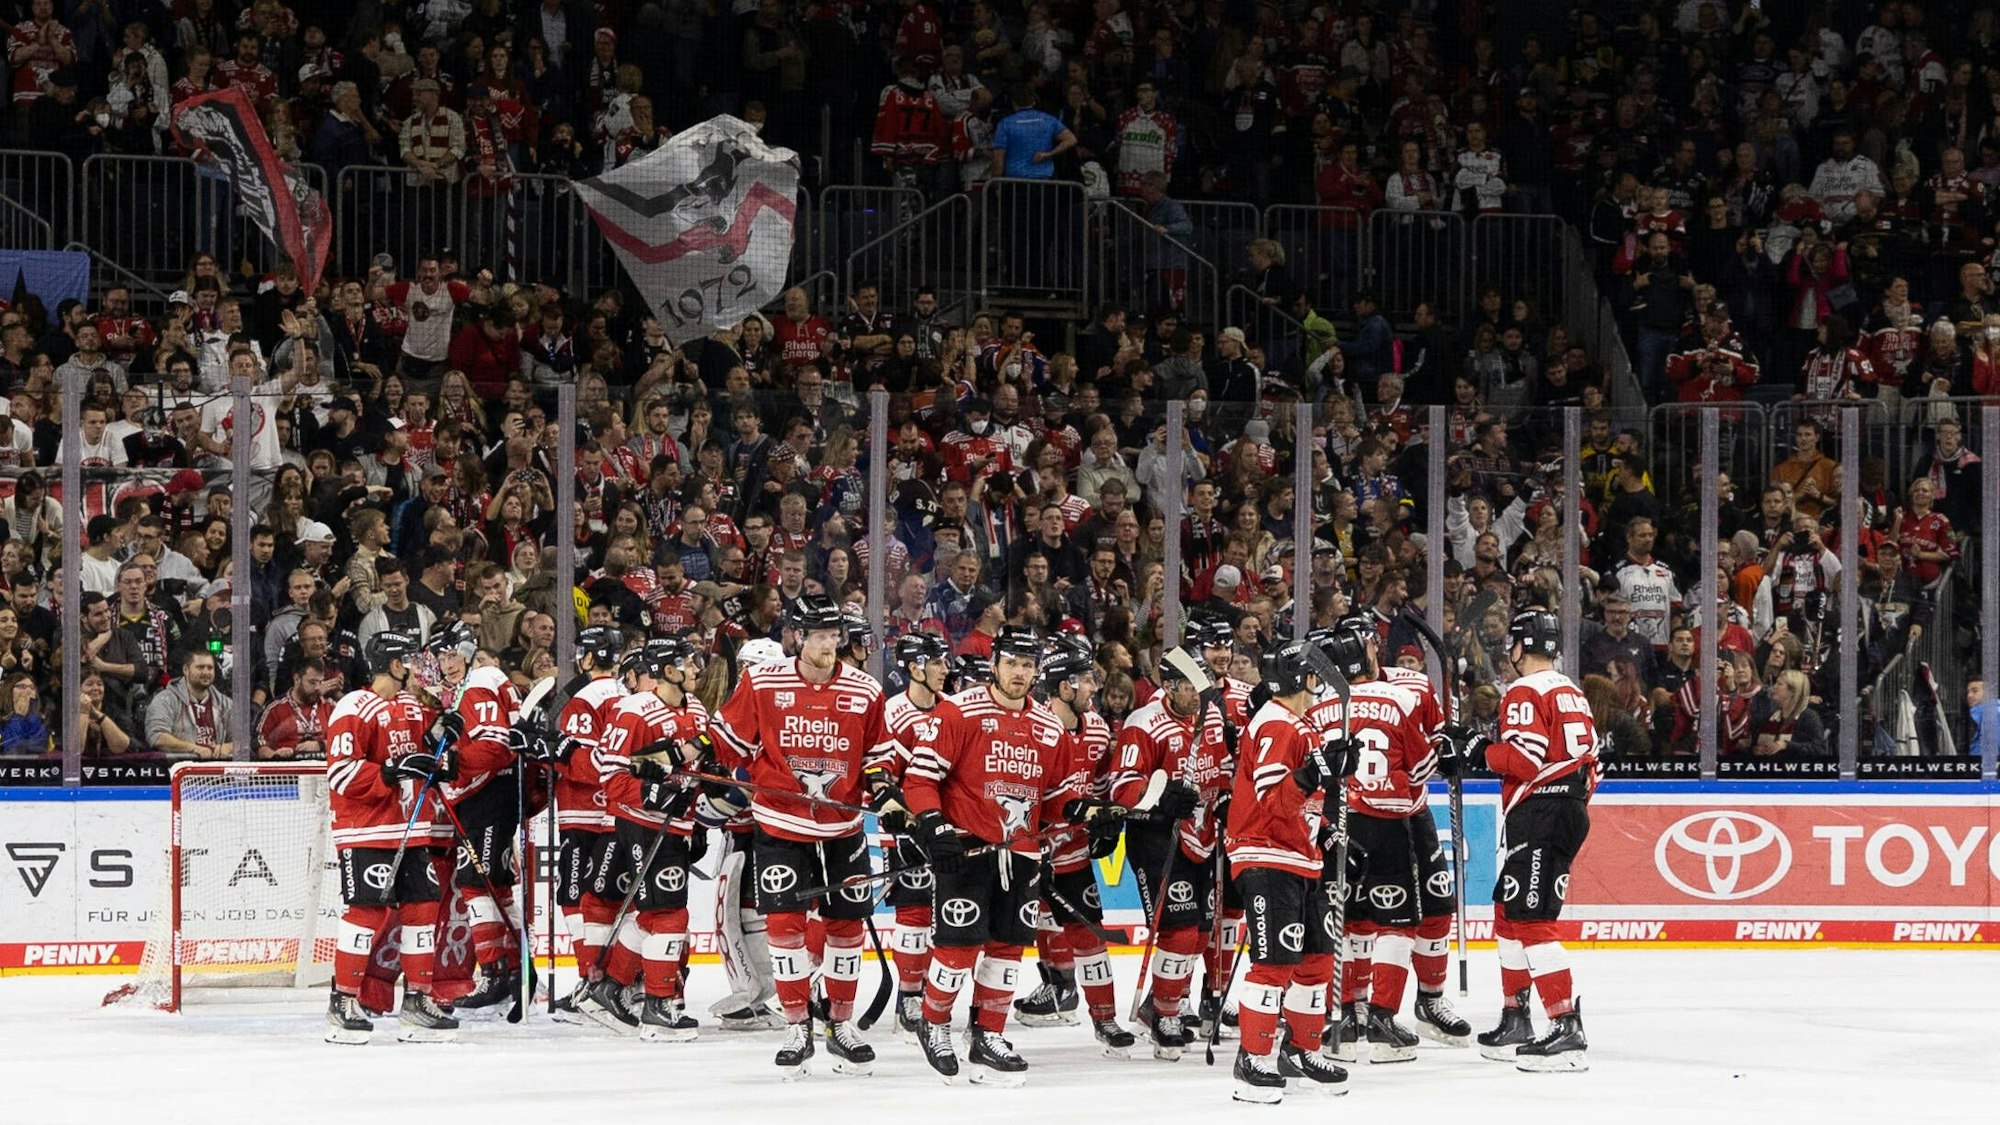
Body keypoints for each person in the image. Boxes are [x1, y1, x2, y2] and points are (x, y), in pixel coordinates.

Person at [709, 594, 889, 1077]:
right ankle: (795, 1026)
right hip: (781, 826)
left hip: (843, 829)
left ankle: (841, 1024)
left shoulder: (865, 689)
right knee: (785, 929)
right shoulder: (763, 681)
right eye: (821, 636)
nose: (830, 645)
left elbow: (880, 756)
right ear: (797, 636)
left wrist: (888, 795)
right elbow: (727, 742)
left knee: (846, 930)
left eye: (836, 636)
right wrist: (708, 769)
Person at [899, 625, 1074, 1085]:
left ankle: (988, 1033)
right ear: (994, 663)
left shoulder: (1051, 727)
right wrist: (936, 828)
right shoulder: (959, 711)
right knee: (956, 949)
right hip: (968, 851)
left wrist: (1087, 813)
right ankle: (934, 1024)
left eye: (1028, 664)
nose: (1020, 673)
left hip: (1021, 855)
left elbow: (1056, 799)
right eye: (1012, 663)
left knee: (1007, 949)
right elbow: (919, 781)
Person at [1453, 609, 1600, 1072]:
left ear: (1520, 646)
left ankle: (1565, 1027)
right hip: (1563, 808)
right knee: (1508, 909)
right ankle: (1516, 1016)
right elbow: (1589, 762)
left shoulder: (1523, 690)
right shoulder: (1570, 690)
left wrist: (1477, 749)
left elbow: (1524, 760)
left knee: (1532, 921)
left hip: (1543, 810)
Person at [1306, 621, 1446, 1065]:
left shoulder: (1320, 707)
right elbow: (1425, 767)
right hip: (1391, 825)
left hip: (1341, 824)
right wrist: (1395, 779)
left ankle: (1346, 1017)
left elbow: (1310, 770)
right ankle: (1383, 1019)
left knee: (1348, 919)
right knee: (1398, 923)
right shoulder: (1397, 699)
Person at [1222, 638, 1355, 1102]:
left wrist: (1329, 828)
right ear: (1306, 678)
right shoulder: (1277, 724)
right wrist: (1313, 774)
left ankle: (1300, 1050)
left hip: (1300, 857)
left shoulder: (1300, 725)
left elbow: (1305, 805)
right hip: (1265, 855)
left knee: (1316, 959)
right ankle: (1252, 1059)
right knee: (1275, 962)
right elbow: (1273, 803)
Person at [323, 630, 457, 1044]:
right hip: (368, 831)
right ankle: (343, 1000)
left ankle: (417, 1000)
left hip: (411, 830)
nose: (418, 669)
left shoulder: (409, 707)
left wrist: (444, 739)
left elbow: (435, 761)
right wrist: (390, 771)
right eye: (411, 662)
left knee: (422, 908)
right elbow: (341, 773)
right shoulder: (353, 707)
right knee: (367, 913)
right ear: (395, 664)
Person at [1011, 636, 1134, 1054]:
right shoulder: (1033, 729)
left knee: (1089, 939)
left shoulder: (1097, 728)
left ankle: (1105, 1020)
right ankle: (996, 1015)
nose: (1094, 688)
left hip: (1075, 854)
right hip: (1030, 853)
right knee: (1013, 937)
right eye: (1085, 680)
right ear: (1064, 687)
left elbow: (1100, 785)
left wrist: (1105, 822)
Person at [590, 636, 711, 1039]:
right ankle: (658, 1005)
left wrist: (696, 821)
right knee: (668, 914)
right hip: (641, 821)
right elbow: (610, 777)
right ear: (669, 669)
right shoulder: (633, 711)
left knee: (655, 912)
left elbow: (695, 772)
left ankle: (611, 987)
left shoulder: (696, 709)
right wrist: (654, 794)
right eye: (688, 662)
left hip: (675, 824)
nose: (696, 668)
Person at [1108, 645, 1222, 1057]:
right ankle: (1167, 1012)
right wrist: (1160, 797)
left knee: (1203, 932)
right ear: (1170, 686)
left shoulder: (1210, 718)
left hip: (1201, 836)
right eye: (1190, 686)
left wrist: (1226, 799)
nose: (1197, 694)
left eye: (1201, 685)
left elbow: (1223, 770)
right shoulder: (1145, 723)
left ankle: (1159, 1000)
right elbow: (1121, 788)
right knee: (1180, 928)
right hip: (1157, 839)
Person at [428, 622, 528, 1009]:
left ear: (469, 650)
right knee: (493, 885)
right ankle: (513, 969)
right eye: (441, 656)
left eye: (452, 654)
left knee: (477, 882)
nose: (446, 663)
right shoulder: (472, 686)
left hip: (488, 794)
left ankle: (496, 971)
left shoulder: (481, 681)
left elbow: (494, 747)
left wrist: (451, 766)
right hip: (488, 795)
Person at [868, 631, 951, 1034]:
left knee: (948, 917)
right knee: (914, 914)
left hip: (944, 832)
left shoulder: (950, 710)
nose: (944, 670)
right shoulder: (892, 713)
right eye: (936, 662)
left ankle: (935, 993)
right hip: (907, 832)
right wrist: (894, 807)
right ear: (915, 667)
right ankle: (909, 996)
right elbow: (880, 773)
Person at [549, 626, 626, 1019]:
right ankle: (610, 979)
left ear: (590, 657)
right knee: (610, 901)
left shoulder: (586, 699)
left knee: (575, 898)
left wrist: (556, 753)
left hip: (584, 813)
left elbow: (594, 764)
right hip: (617, 814)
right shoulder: (628, 696)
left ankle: (590, 977)